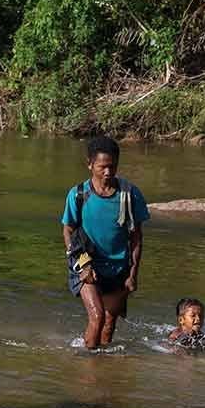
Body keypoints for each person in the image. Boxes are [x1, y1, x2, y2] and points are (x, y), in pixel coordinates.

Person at [61, 136, 150, 349]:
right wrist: (83, 265)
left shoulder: (130, 194)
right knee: (97, 316)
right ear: (90, 164)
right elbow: (68, 231)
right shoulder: (79, 195)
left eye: (112, 166)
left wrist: (133, 274)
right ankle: (87, 366)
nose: (108, 172)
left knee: (109, 324)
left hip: (119, 268)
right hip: (86, 264)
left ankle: (104, 372)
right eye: (102, 167)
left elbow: (136, 236)